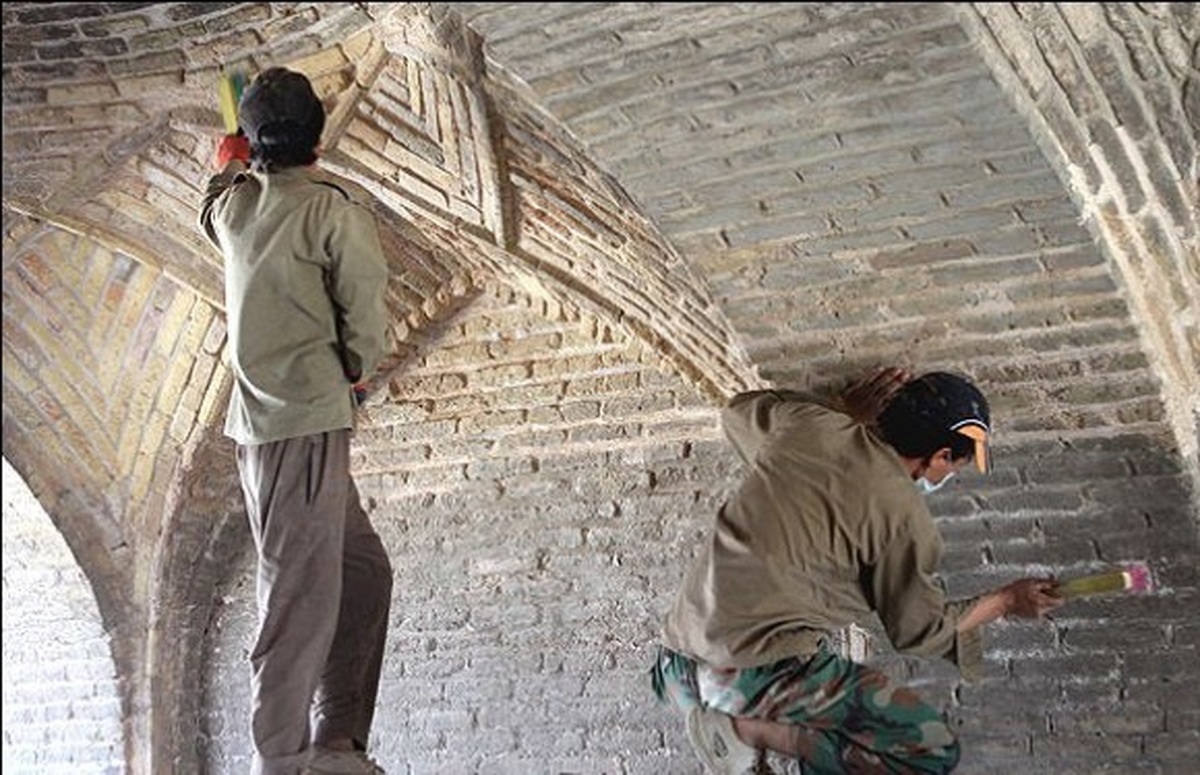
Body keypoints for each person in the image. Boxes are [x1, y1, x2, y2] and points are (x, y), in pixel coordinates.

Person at [650, 368, 1064, 774]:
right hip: (749, 677)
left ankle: (749, 738)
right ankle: (745, 731)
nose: (949, 474)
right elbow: (920, 632)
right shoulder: (904, 515)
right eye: (955, 465)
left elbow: (735, 414)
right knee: (927, 750)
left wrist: (839, 408)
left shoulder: (810, 424)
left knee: (835, 721)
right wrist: (1006, 601)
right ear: (939, 457)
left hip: (676, 664)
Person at [199, 67, 394, 775]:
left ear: (250, 144)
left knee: (364, 574)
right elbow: (364, 317)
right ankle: (278, 758)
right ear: (319, 134)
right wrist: (359, 370)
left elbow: (212, 200)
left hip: (278, 429)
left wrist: (230, 162)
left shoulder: (234, 210)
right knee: (295, 597)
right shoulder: (331, 212)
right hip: (301, 428)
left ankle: (335, 739)